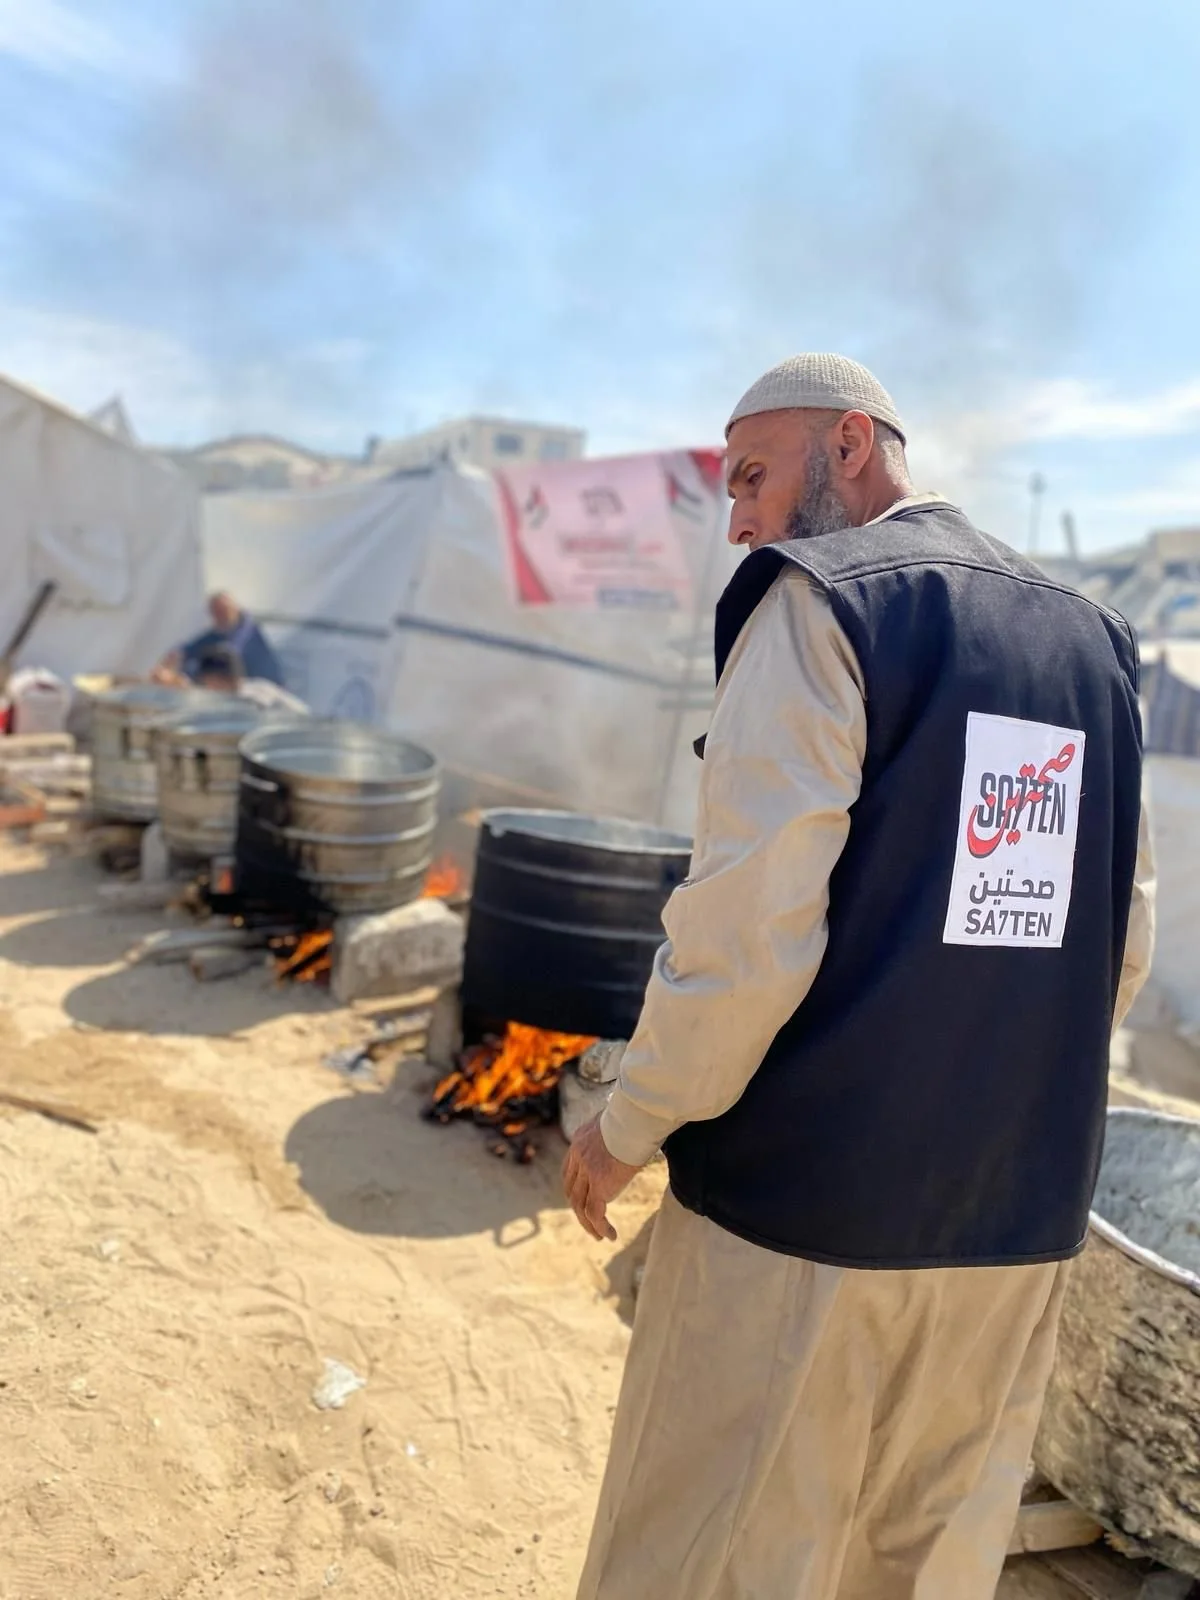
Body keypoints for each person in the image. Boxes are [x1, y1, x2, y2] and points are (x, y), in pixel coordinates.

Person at [562, 353, 1154, 1600]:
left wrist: (629, 1124)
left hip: (802, 1221)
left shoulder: (822, 603)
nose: (739, 519)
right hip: (1015, 1226)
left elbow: (746, 936)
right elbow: (1122, 941)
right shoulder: (1096, 645)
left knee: (715, 1556)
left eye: (752, 476)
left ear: (849, 443)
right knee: (922, 1564)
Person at [156, 592, 285, 688]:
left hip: (260, 690)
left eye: (223, 611)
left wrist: (186, 678)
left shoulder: (247, 632)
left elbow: (227, 655)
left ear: (235, 609)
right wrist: (178, 654)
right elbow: (195, 646)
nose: (220, 615)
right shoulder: (221, 631)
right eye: (216, 612)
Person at [191, 644, 309, 715]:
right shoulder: (215, 698)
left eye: (210, 680)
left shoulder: (256, 696)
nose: (209, 686)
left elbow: (301, 712)